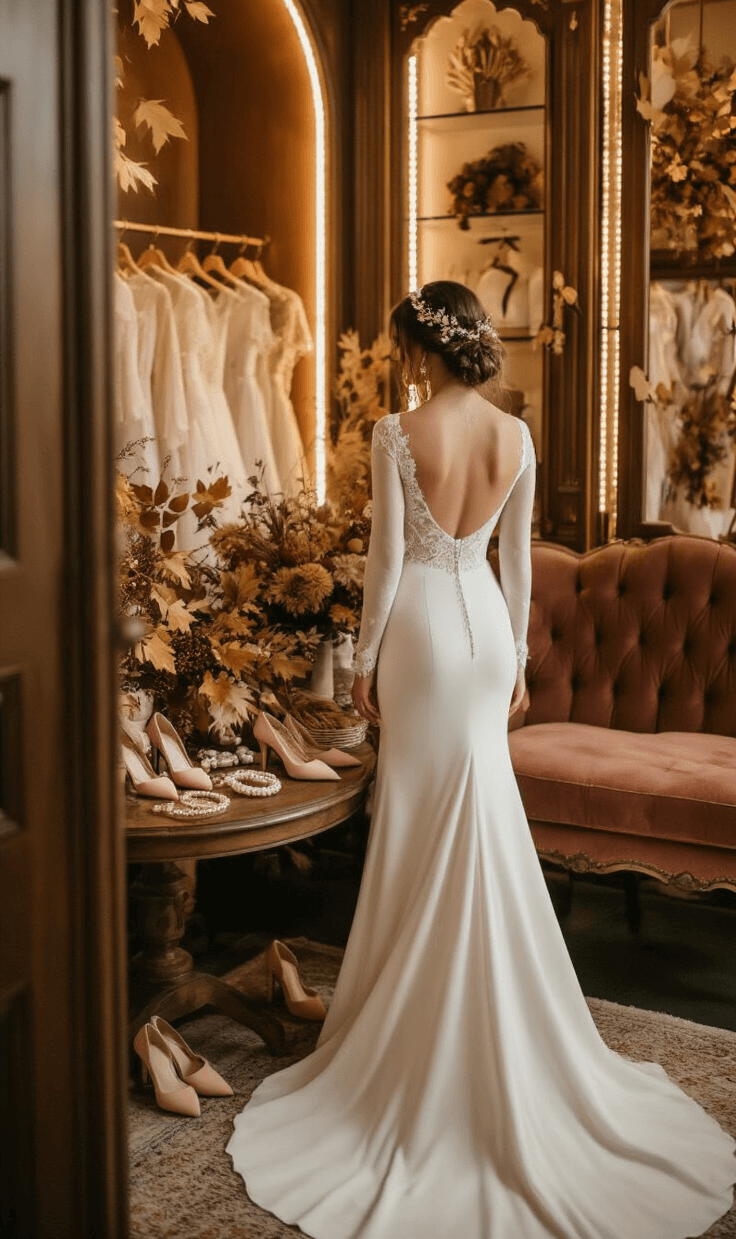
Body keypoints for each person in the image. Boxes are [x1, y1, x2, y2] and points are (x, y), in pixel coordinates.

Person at [228, 282, 735, 1238]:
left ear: (422, 349)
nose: (401, 365)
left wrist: (366, 660)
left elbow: (385, 562)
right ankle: (481, 1012)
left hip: (420, 628)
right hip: (485, 638)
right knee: (479, 808)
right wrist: (515, 665)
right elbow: (512, 562)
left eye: (403, 349)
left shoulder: (394, 433)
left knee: (418, 812)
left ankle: (416, 1021)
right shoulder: (517, 436)